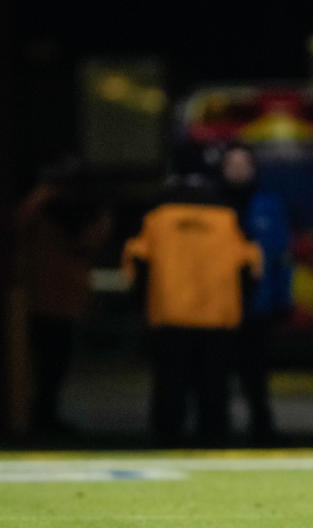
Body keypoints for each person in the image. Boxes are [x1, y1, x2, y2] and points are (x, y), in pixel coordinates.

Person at [123, 174, 262, 447]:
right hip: (217, 317)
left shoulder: (158, 218)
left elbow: (136, 263)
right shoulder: (227, 219)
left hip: (169, 313)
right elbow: (250, 266)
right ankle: (213, 437)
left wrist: (142, 306)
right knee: (214, 384)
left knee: (170, 382)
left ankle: (167, 438)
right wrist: (240, 306)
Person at [17, 159, 111, 437]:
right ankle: (37, 418)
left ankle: (42, 416)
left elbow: (89, 241)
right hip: (43, 300)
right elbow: (87, 241)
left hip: (56, 300)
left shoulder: (64, 210)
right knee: (46, 364)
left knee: (53, 365)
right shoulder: (46, 208)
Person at [219, 143, 293, 445]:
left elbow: (281, 258)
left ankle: (262, 428)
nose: (238, 169)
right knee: (216, 371)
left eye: (243, 163)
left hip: (258, 303)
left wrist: (281, 299)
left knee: (256, 370)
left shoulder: (269, 204)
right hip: (217, 303)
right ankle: (216, 428)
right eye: (232, 163)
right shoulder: (213, 204)